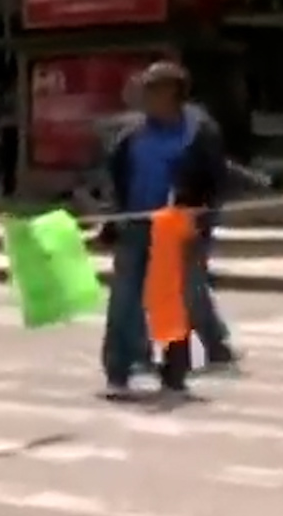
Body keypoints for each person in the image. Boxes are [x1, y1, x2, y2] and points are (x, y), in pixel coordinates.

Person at [97, 60, 232, 399]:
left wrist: (201, 225)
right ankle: (119, 368)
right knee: (124, 301)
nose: (145, 97)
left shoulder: (199, 133)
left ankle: (174, 371)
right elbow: (115, 181)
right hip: (135, 226)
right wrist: (112, 218)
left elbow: (215, 184)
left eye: (152, 90)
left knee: (173, 301)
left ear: (173, 93)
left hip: (177, 231)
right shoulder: (131, 135)